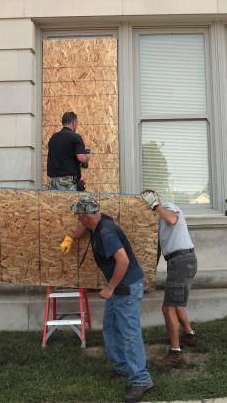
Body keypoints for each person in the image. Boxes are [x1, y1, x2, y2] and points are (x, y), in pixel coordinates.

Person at [70, 196, 154, 403]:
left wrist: (110, 288)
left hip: (125, 287)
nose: (78, 219)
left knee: (129, 332)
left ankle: (141, 379)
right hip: (121, 287)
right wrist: (70, 238)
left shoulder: (106, 233)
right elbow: (84, 230)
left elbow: (123, 260)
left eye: (79, 216)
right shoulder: (98, 222)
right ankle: (123, 367)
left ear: (86, 215)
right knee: (110, 326)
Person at [140, 190, 198, 369]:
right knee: (177, 303)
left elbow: (173, 219)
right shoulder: (159, 220)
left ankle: (175, 354)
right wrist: (150, 272)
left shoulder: (167, 207)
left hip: (181, 261)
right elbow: (159, 248)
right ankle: (189, 335)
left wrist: (155, 204)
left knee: (168, 308)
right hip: (181, 261)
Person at [46, 111, 90, 192]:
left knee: (56, 204)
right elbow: (81, 158)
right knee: (69, 204)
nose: (76, 125)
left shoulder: (53, 138)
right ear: (73, 122)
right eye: (76, 123)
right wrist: (87, 157)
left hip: (53, 182)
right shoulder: (75, 137)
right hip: (67, 183)